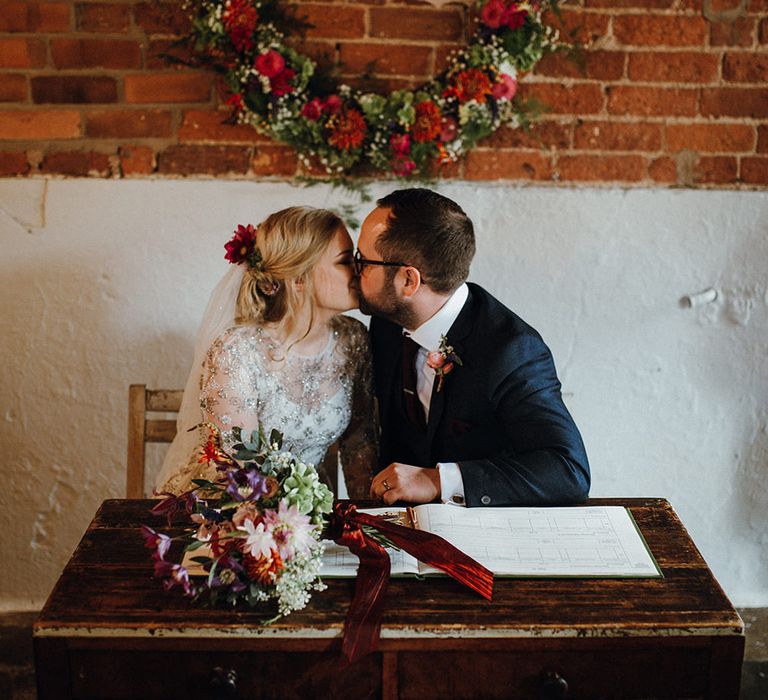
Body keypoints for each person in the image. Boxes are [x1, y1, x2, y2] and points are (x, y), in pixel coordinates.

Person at [353, 188, 590, 508]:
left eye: (362, 261)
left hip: (488, 532)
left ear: (408, 281)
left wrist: (437, 480)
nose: (354, 273)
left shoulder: (511, 351)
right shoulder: (387, 324)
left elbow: (568, 471)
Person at [156, 206, 376, 498]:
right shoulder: (236, 352)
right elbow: (239, 469)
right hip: (234, 509)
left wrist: (368, 520)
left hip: (312, 507)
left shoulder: (354, 339)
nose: (358, 271)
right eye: (345, 261)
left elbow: (359, 443)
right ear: (299, 279)